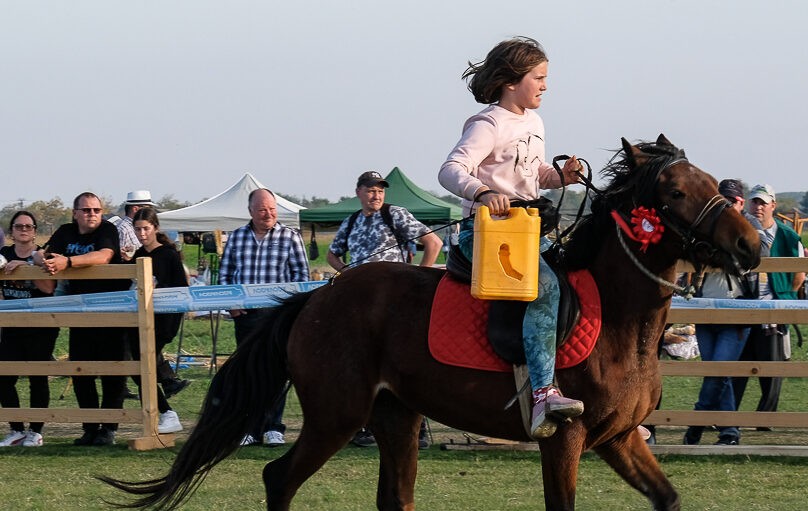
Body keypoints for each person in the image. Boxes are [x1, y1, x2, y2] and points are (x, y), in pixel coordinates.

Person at [438, 36, 584, 438]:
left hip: (527, 230)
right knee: (545, 288)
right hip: (487, 234)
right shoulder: (488, 124)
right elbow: (450, 170)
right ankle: (542, 395)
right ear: (511, 81)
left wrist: (561, 177)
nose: (545, 85)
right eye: (539, 77)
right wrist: (483, 193)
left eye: (545, 77)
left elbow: (533, 173)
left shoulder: (534, 122)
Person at [328, 170, 443, 447]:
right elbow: (332, 254)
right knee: (363, 365)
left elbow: (433, 242)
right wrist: (347, 273)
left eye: (380, 190)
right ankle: (366, 428)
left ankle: (418, 431)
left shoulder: (395, 214)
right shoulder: (352, 221)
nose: (376, 195)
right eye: (370, 190)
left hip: (395, 305)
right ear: (359, 192)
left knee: (404, 364)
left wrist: (419, 278)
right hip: (360, 306)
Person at [218, 188, 309, 446]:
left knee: (277, 371)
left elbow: (301, 276)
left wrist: (290, 310)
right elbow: (225, 275)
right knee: (248, 371)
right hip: (246, 315)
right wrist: (231, 305)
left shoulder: (290, 237)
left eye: (272, 209)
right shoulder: (236, 237)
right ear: (250, 211)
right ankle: (249, 428)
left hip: (278, 315)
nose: (268, 214)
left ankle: (273, 427)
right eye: (262, 210)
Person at [39, 193, 130, 446]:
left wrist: (67, 261)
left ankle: (109, 429)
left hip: (112, 312)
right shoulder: (65, 232)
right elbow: (46, 254)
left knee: (113, 372)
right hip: (80, 312)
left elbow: (104, 256)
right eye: (87, 210)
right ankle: (90, 427)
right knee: (81, 371)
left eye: (96, 210)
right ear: (75, 213)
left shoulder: (107, 229)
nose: (92, 214)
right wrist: (43, 260)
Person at [683, 179, 754, 446]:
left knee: (718, 372)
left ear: (741, 202)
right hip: (705, 310)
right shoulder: (706, 225)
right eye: (723, 200)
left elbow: (754, 253)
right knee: (716, 373)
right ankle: (729, 432)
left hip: (736, 311)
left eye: (732, 201)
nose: (728, 205)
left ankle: (696, 425)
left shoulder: (749, 227)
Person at [731, 184, 805, 422]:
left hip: (773, 308)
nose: (758, 207)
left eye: (763, 202)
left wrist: (784, 297)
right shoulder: (741, 231)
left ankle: (765, 418)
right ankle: (727, 414)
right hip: (744, 305)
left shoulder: (788, 236)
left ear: (773, 205)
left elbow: (799, 275)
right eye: (754, 202)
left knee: (771, 367)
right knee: (738, 365)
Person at [0, 212, 57, 447]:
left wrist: (27, 266)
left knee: (37, 377)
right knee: (4, 377)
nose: (24, 229)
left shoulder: (42, 255)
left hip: (40, 326)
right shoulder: (3, 254)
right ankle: (16, 430)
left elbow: (48, 288)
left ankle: (35, 432)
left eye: (28, 226)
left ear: (34, 231)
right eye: (19, 226)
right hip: (12, 325)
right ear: (11, 232)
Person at [131, 208, 189, 435]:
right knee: (138, 366)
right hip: (142, 319)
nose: (142, 234)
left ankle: (167, 411)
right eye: (138, 229)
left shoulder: (168, 254)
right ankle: (166, 401)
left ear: (155, 228)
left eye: (146, 229)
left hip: (164, 320)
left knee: (141, 364)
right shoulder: (138, 255)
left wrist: (158, 289)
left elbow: (181, 288)